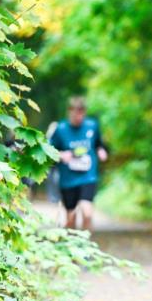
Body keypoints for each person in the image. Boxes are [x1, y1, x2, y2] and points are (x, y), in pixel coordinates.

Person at [50, 96, 109, 230]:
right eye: (76, 113)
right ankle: (73, 242)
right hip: (68, 179)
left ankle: (86, 241)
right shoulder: (60, 129)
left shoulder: (92, 126)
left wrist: (101, 151)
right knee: (71, 218)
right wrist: (61, 155)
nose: (78, 117)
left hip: (88, 176)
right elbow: (49, 151)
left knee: (87, 212)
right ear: (69, 111)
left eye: (81, 113)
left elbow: (99, 144)